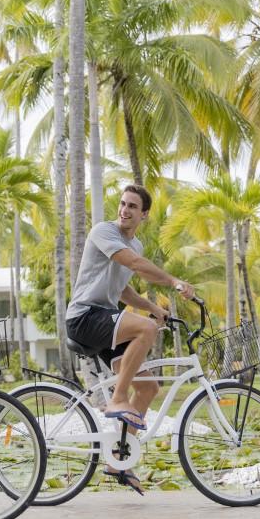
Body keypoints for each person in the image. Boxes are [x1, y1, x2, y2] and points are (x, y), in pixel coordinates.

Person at [64, 184, 195, 494]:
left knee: (149, 387)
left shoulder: (135, 245)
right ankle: (118, 398)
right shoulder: (104, 231)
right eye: (123, 204)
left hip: (105, 319)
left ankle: (119, 461)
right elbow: (134, 266)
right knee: (145, 330)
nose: (125, 210)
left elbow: (122, 289)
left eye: (132, 206)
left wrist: (153, 308)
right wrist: (174, 280)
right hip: (84, 317)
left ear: (144, 215)